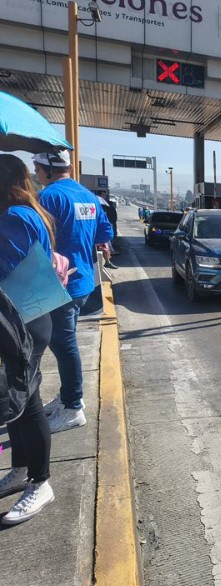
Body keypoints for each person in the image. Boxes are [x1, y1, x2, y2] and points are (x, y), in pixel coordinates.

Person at [33, 150, 114, 432]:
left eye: (37, 166)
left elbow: (36, 239)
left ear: (48, 168)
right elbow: (105, 234)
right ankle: (67, 396)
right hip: (82, 281)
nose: (35, 172)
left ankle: (72, 406)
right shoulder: (88, 197)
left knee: (63, 345)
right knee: (65, 342)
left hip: (59, 283)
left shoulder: (48, 197)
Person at [0, 154, 57, 523]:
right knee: (15, 400)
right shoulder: (24, 214)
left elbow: (15, 271)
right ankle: (21, 468)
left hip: (23, 317)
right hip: (25, 314)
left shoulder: (15, 218)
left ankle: (40, 482)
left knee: (27, 399)